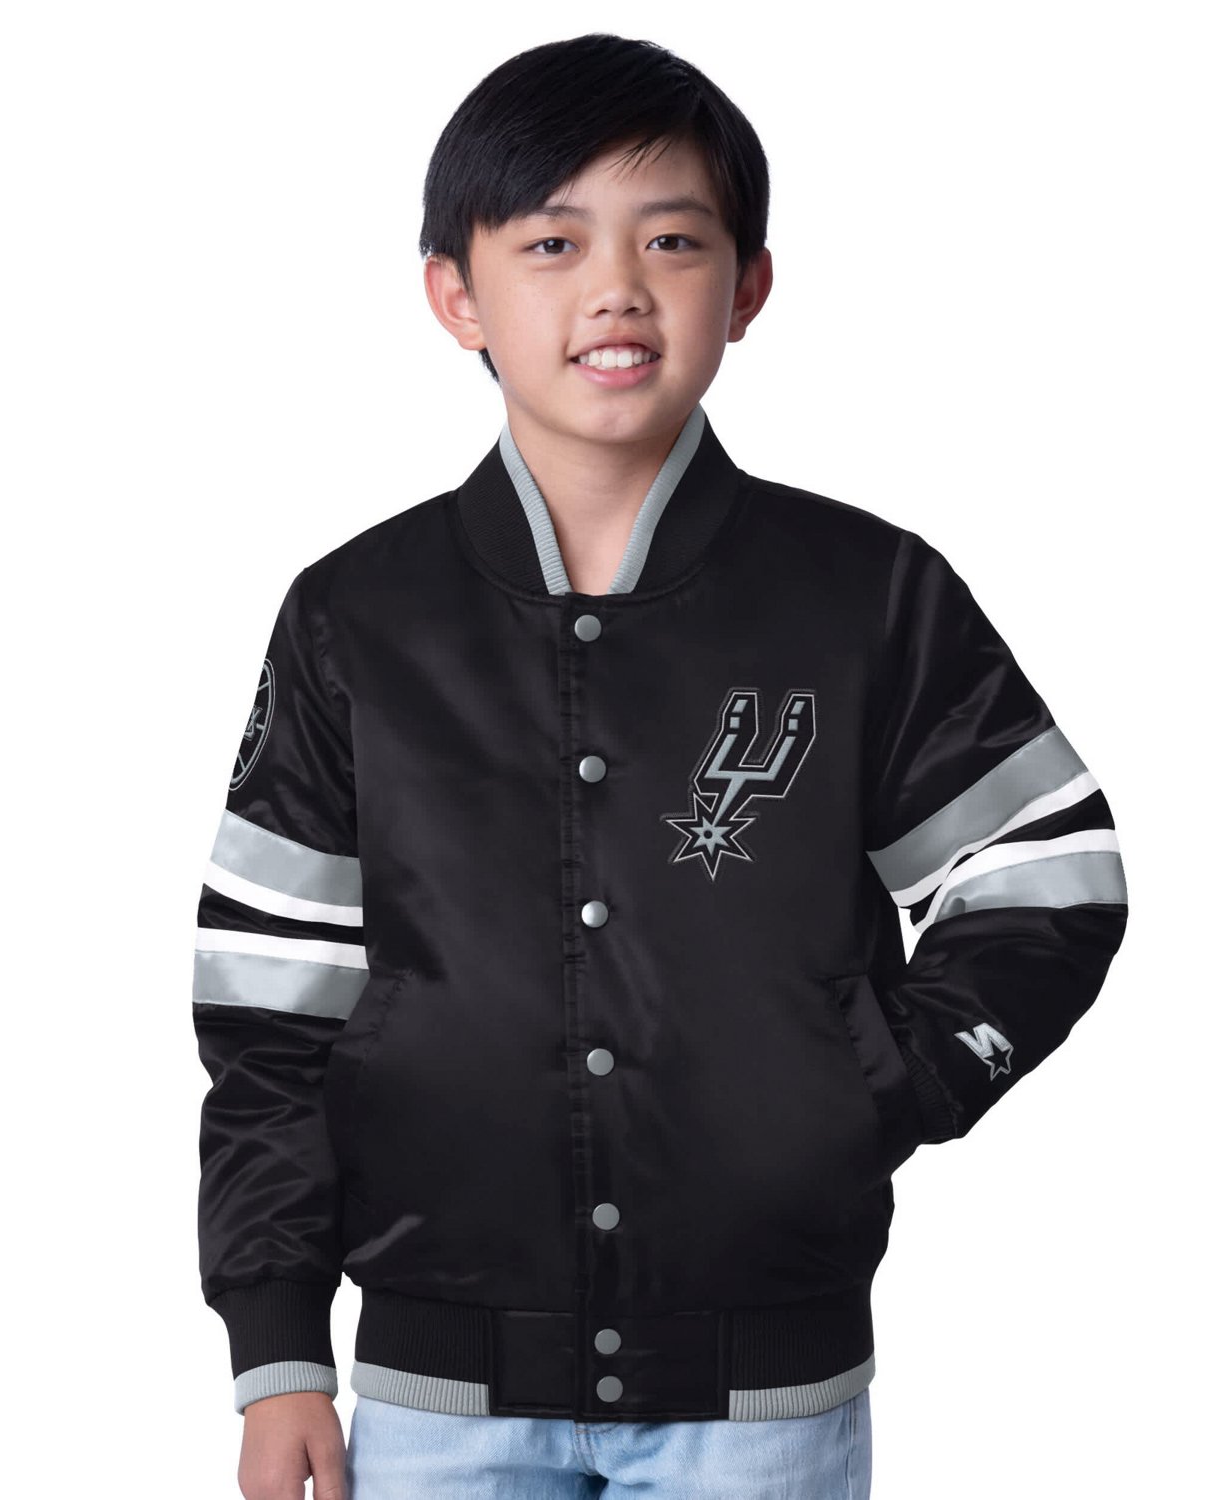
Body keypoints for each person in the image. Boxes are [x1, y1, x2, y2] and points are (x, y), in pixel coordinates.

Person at [191, 31, 1129, 1500]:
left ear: (748, 287)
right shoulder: (356, 618)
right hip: (441, 1396)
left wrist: (868, 1086)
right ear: (456, 294)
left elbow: (1047, 876)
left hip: (761, 1400)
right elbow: (269, 1003)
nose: (617, 289)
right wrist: (278, 1351)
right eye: (552, 242)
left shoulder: (862, 593)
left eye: (674, 240)